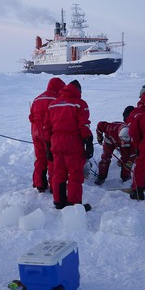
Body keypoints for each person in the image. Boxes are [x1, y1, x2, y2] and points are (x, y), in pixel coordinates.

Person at [44, 80, 93, 210]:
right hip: (72, 143)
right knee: (75, 174)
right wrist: (88, 141)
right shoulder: (80, 104)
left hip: (56, 143)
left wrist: (48, 146)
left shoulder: (53, 105)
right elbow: (83, 125)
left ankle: (59, 201)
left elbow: (47, 128)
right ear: (78, 90)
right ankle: (74, 204)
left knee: (59, 173)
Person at [29, 77, 65, 193]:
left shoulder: (37, 98)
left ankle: (39, 184)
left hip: (36, 132)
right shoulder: (57, 99)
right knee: (52, 158)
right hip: (48, 132)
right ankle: (54, 186)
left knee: (40, 157)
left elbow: (31, 117)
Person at [94, 120, 136, 185]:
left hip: (124, 146)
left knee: (126, 159)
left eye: (125, 141)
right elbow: (100, 125)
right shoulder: (110, 128)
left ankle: (125, 177)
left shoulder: (132, 138)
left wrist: (130, 161)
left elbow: (133, 153)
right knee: (105, 158)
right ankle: (101, 177)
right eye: (122, 140)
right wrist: (99, 136)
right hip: (109, 141)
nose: (123, 142)